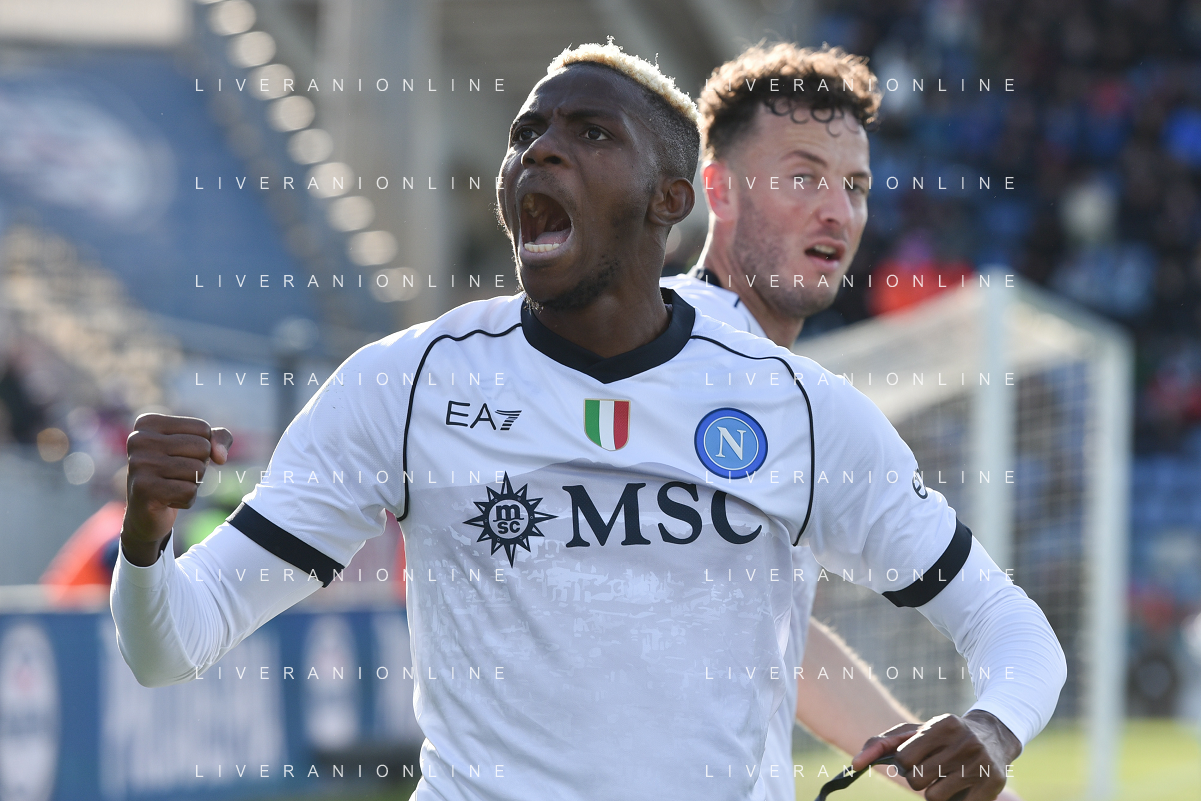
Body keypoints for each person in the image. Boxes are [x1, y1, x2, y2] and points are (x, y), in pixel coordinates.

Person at [111, 42, 1065, 801]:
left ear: (669, 199)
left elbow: (1008, 627)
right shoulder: (404, 385)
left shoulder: (802, 411)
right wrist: (147, 541)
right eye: (527, 133)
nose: (540, 150)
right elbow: (171, 645)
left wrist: (990, 727)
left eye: (589, 133)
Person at [663, 44, 1026, 799]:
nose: (838, 210)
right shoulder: (662, 358)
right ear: (718, 190)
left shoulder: (791, 394)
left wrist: (934, 766)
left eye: (855, 185)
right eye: (803, 177)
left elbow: (771, 640)